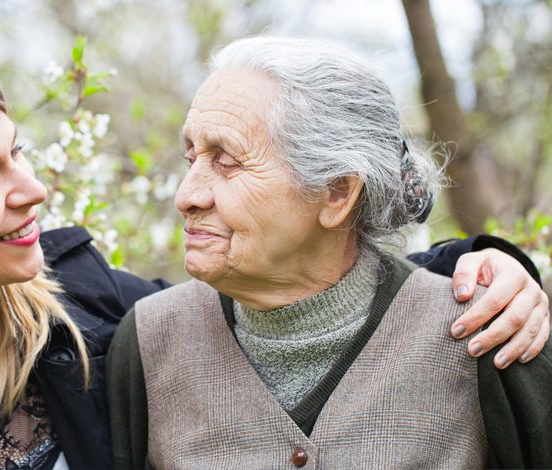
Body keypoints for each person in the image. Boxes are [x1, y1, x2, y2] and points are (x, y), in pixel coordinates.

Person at [0, 44, 545, 470]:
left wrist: (487, 264)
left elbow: (320, 288)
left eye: (18, 155)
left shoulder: (86, 306)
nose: (36, 190)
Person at [107, 37, 552, 469]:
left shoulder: (488, 335)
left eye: (227, 162)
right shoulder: (149, 343)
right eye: (191, 159)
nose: (187, 195)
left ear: (337, 192)